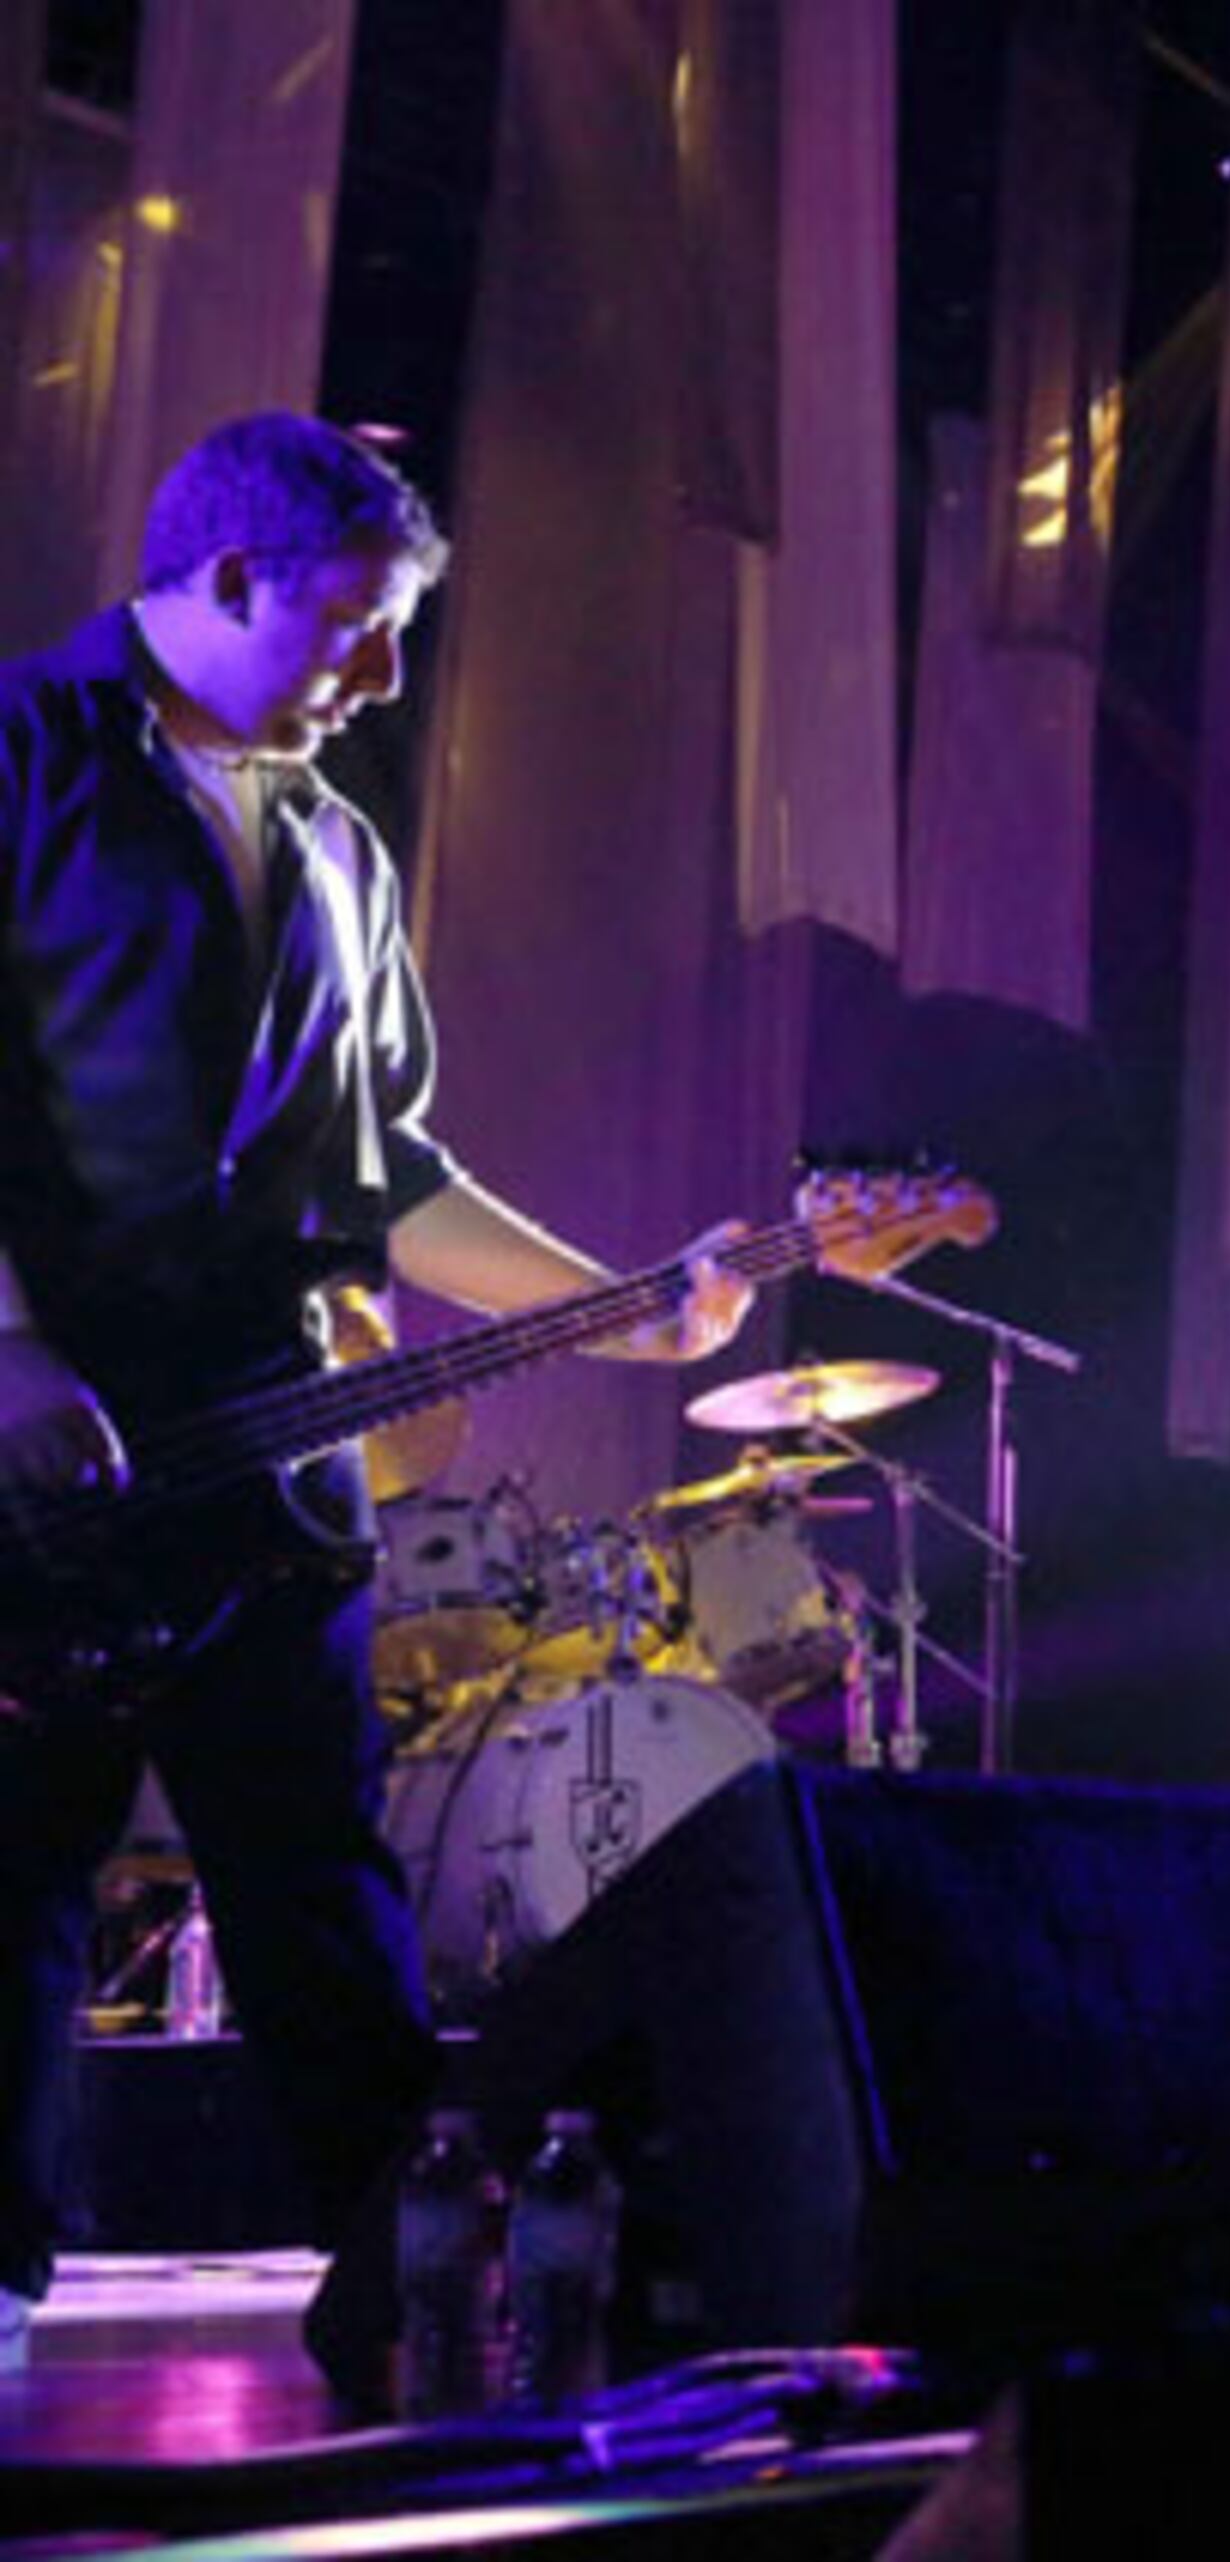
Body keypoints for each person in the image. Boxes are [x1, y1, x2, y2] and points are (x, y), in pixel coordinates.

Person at [0, 414, 748, 2391]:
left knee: (324, 1881)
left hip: (261, 1452)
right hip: (38, 1442)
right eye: (357, 628)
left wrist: (613, 1309)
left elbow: (386, 1172)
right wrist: (8, 1344)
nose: (386, 679)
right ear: (230, 580)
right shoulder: (18, 755)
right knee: (12, 1871)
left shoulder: (337, 848)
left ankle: (406, 2295)